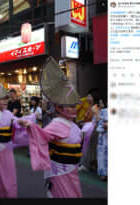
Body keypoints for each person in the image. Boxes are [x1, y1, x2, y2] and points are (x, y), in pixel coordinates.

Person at [22, 57, 94, 198]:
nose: (74, 109)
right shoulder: (56, 124)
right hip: (60, 172)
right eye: (70, 107)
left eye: (75, 106)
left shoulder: (73, 124)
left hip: (72, 171)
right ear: (58, 108)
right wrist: (30, 125)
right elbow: (42, 136)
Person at [96, 102, 107, 181]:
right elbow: (100, 123)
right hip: (104, 137)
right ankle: (103, 174)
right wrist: (105, 125)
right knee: (102, 155)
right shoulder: (104, 111)